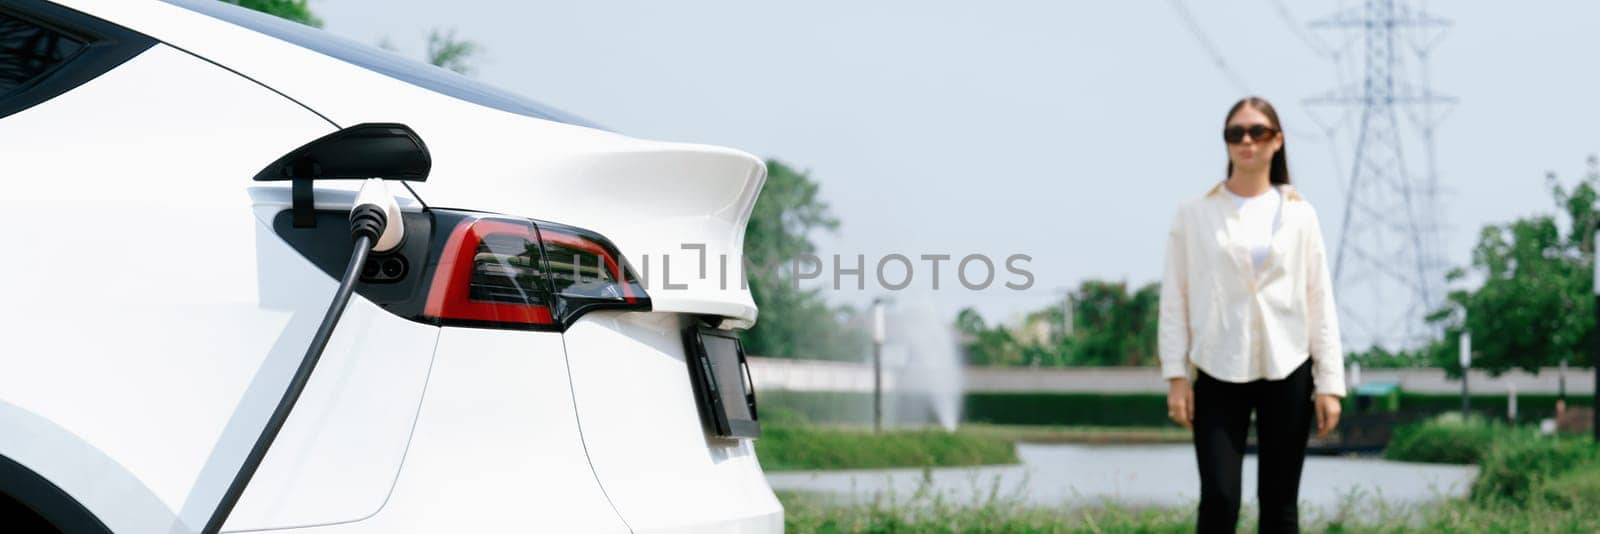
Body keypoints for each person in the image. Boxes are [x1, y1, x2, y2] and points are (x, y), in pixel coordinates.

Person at [1158, 96, 1346, 533]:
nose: (1246, 141)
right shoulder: (1194, 213)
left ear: (1277, 141)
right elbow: (1174, 299)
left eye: (1257, 132)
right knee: (1220, 498)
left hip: (1289, 366)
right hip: (1217, 364)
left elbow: (1319, 300)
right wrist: (1175, 375)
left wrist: (1330, 384)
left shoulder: (1300, 214)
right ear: (1225, 143)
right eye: (1235, 133)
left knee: (1279, 502)